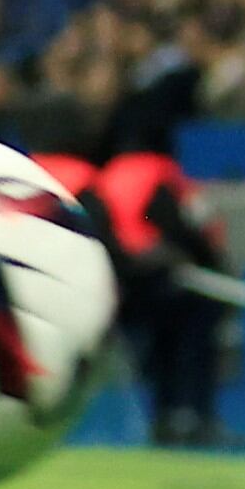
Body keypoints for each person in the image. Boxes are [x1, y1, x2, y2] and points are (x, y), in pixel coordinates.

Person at [93, 115, 233, 447]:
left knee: (159, 347)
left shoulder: (110, 174)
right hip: (154, 282)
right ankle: (196, 417)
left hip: (113, 285)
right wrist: (214, 264)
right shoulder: (157, 172)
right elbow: (177, 225)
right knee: (196, 330)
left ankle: (162, 418)